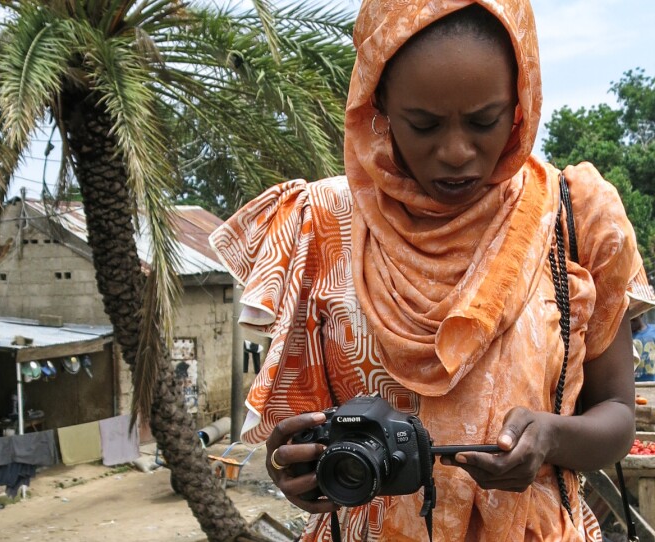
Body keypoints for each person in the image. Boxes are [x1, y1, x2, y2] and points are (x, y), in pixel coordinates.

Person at [209, 1, 655, 540]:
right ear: (378, 107)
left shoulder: (575, 218)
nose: (456, 152)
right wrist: (296, 466)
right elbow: (296, 433)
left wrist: (554, 437)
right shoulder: (320, 227)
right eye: (423, 125)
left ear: (521, 103)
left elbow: (616, 416)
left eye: (484, 121)